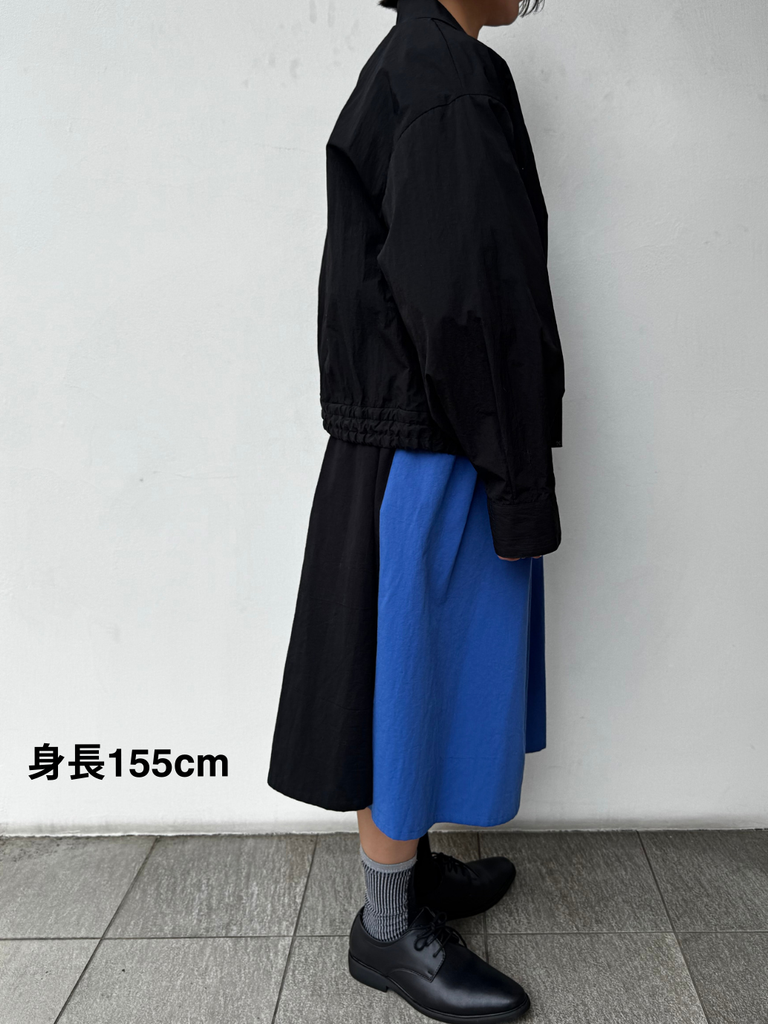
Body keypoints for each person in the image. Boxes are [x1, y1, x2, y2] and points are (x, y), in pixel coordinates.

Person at [268, 0, 565, 1019]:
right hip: (438, 440)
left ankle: (412, 865)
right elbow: (466, 301)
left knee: (420, 667)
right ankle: (388, 930)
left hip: (417, 429)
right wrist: (515, 475)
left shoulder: (424, 62)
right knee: (408, 671)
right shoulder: (444, 79)